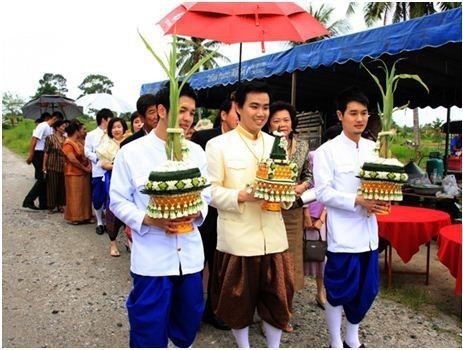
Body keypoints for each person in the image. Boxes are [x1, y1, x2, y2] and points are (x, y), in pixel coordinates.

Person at [109, 82, 209, 348]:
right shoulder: (132, 152)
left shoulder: (196, 153)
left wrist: (195, 212)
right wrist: (150, 219)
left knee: (187, 325)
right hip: (152, 260)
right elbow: (117, 201)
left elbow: (206, 197)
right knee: (148, 330)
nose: (188, 118)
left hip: (189, 257)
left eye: (192, 112)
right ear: (161, 110)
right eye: (182, 110)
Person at [206, 82, 294, 348]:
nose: (261, 113)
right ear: (238, 108)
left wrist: (284, 197)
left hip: (274, 237)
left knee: (278, 300)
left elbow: (286, 184)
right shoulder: (218, 145)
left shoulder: (277, 143)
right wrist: (242, 196)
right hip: (238, 240)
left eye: (265, 107)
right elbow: (209, 192)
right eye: (254, 106)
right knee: (237, 303)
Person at [314, 87, 389, 348]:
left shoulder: (375, 149)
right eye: (353, 113)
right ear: (340, 115)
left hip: (368, 235)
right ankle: (337, 341)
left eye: (364, 113)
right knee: (338, 290)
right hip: (343, 236)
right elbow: (323, 193)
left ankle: (352, 335)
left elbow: (384, 184)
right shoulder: (327, 151)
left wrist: (383, 199)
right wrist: (357, 200)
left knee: (367, 290)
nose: (360, 118)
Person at [190, 98, 238, 331]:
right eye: (236, 112)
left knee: (220, 267)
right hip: (206, 214)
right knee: (200, 265)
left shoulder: (244, 143)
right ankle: (193, 311)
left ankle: (214, 311)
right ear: (223, 115)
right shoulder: (203, 138)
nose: (241, 117)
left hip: (231, 214)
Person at [263, 101, 312, 296]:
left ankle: (286, 305)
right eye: (276, 120)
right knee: (269, 258)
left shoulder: (302, 145)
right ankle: (267, 303)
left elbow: (308, 175)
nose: (281, 124)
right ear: (269, 124)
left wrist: (302, 186)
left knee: (291, 258)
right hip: (268, 209)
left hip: (292, 211)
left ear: (292, 123)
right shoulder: (265, 145)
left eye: (286, 120)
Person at [303, 125, 343, 311]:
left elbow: (334, 190)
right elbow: (305, 182)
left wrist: (322, 217)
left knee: (321, 256)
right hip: (305, 210)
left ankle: (321, 293)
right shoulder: (312, 156)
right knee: (299, 255)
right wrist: (304, 213)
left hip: (324, 214)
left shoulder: (339, 160)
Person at [96, 117, 129, 257]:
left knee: (130, 208)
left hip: (128, 180)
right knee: (112, 211)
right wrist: (118, 166)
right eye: (114, 127)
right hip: (113, 179)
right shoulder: (106, 145)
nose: (117, 130)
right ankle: (113, 243)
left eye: (119, 127)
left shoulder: (130, 142)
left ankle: (129, 240)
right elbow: (104, 164)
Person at [23, 111, 62, 210]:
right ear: (55, 118)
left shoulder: (51, 129)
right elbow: (34, 139)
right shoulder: (43, 126)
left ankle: (43, 203)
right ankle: (28, 201)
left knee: (45, 179)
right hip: (38, 153)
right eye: (58, 121)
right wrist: (31, 155)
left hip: (44, 153)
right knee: (42, 178)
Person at [84, 108, 113, 235]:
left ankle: (108, 222)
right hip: (98, 171)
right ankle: (99, 222)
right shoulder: (91, 135)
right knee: (97, 197)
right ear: (104, 120)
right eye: (110, 119)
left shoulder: (113, 133)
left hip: (111, 171)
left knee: (110, 197)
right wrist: (97, 159)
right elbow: (87, 151)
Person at [62, 120, 93, 225]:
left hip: (84, 172)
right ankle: (75, 217)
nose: (83, 131)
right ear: (76, 131)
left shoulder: (79, 141)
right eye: (81, 129)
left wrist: (88, 165)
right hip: (73, 173)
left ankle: (85, 216)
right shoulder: (68, 143)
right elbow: (73, 160)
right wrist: (84, 168)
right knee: (75, 196)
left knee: (85, 195)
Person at [42, 119, 68, 213]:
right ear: (57, 128)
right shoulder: (50, 138)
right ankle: (51, 206)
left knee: (62, 186)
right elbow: (46, 152)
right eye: (62, 126)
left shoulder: (66, 139)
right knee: (52, 186)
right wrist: (44, 166)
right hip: (52, 165)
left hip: (63, 165)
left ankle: (61, 205)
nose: (64, 128)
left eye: (65, 127)